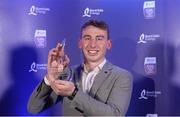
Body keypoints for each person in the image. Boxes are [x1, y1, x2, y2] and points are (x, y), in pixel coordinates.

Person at [27, 19, 133, 116]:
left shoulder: (121, 76)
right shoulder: (68, 73)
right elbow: (33, 108)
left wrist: (74, 93)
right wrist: (50, 78)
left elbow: (114, 115)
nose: (92, 44)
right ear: (80, 43)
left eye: (99, 39)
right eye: (87, 38)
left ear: (108, 44)